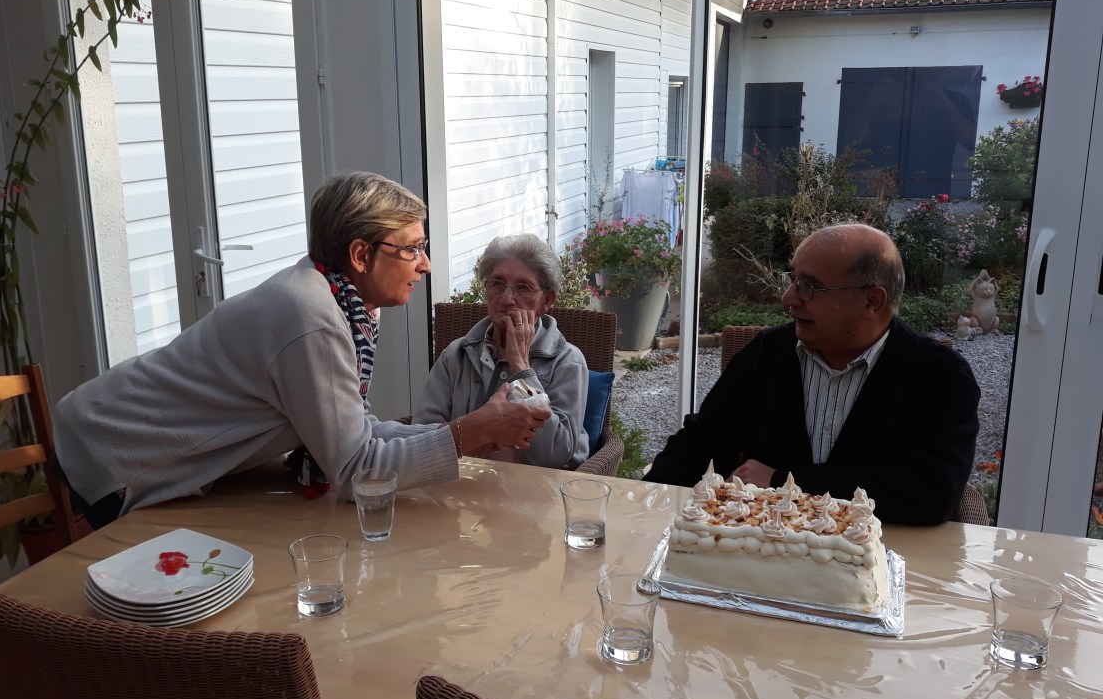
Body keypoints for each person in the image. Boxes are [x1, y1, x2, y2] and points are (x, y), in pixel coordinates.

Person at [53, 171, 550, 526]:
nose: (425, 264)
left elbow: (355, 432)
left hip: (122, 442)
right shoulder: (312, 317)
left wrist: (461, 431)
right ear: (361, 255)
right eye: (411, 248)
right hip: (115, 455)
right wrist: (468, 432)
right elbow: (357, 472)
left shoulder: (340, 303)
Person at [644, 223, 980, 526]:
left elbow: (933, 491)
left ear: (872, 301)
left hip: (884, 558)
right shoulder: (767, 353)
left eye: (810, 287)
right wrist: (641, 512)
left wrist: (784, 481)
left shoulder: (939, 375)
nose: (788, 298)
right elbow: (698, 445)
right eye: (793, 280)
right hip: (764, 555)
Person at [413, 233, 590, 469]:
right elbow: (422, 436)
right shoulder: (456, 355)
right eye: (497, 283)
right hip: (460, 482)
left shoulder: (566, 362)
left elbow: (555, 455)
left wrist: (521, 368)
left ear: (546, 301)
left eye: (523, 287)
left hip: (534, 488)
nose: (507, 299)